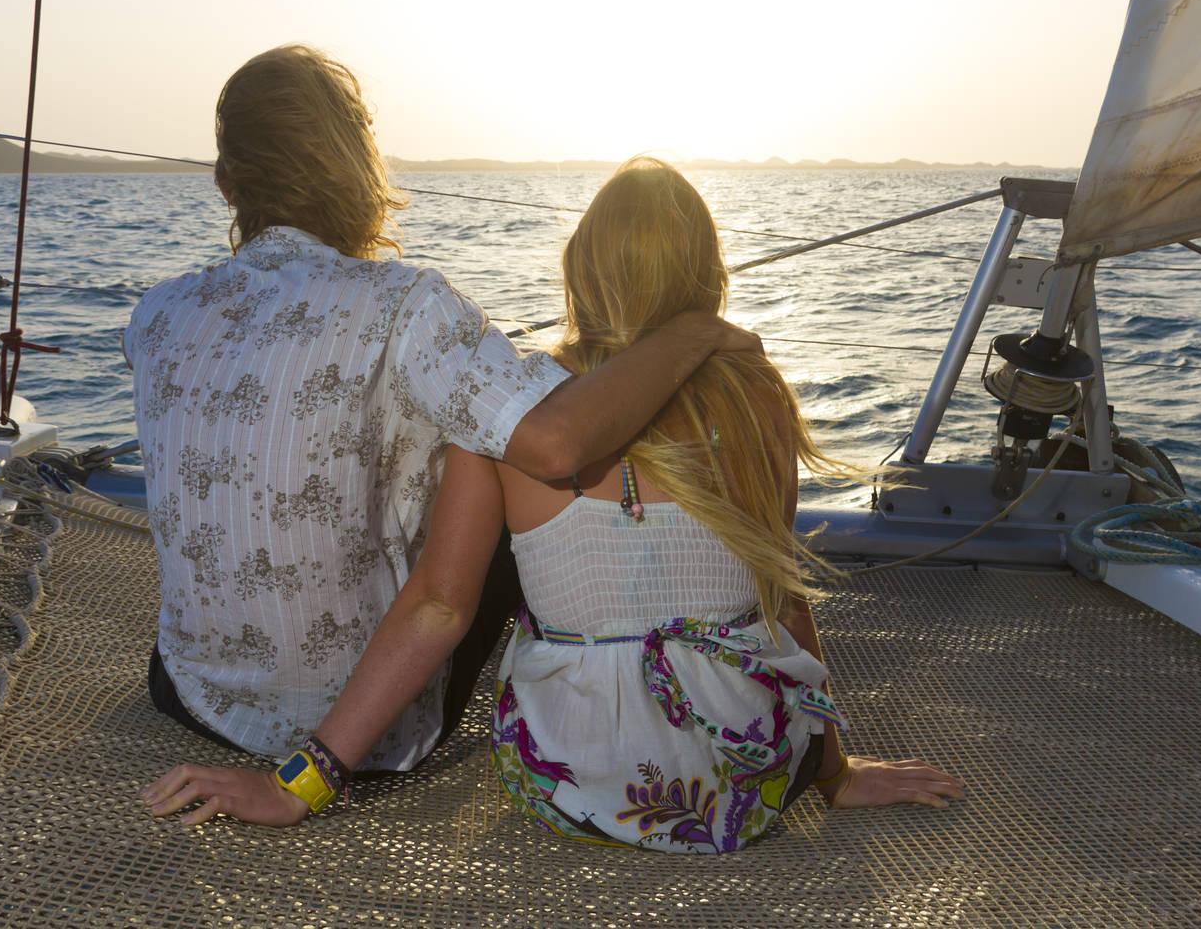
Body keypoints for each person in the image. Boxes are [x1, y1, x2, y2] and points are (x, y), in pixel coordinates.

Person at [145, 158, 961, 847]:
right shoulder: (756, 398)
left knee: (464, 556)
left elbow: (438, 607)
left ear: (580, 268)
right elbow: (779, 600)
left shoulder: (510, 412)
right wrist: (836, 772)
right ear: (706, 272)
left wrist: (300, 786)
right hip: (745, 785)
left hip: (568, 784)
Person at [127, 48, 760, 799]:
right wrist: (694, 331)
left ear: (227, 184)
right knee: (501, 466)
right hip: (360, 737)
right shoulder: (407, 306)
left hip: (186, 694)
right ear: (360, 168)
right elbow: (556, 443)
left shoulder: (155, 315)